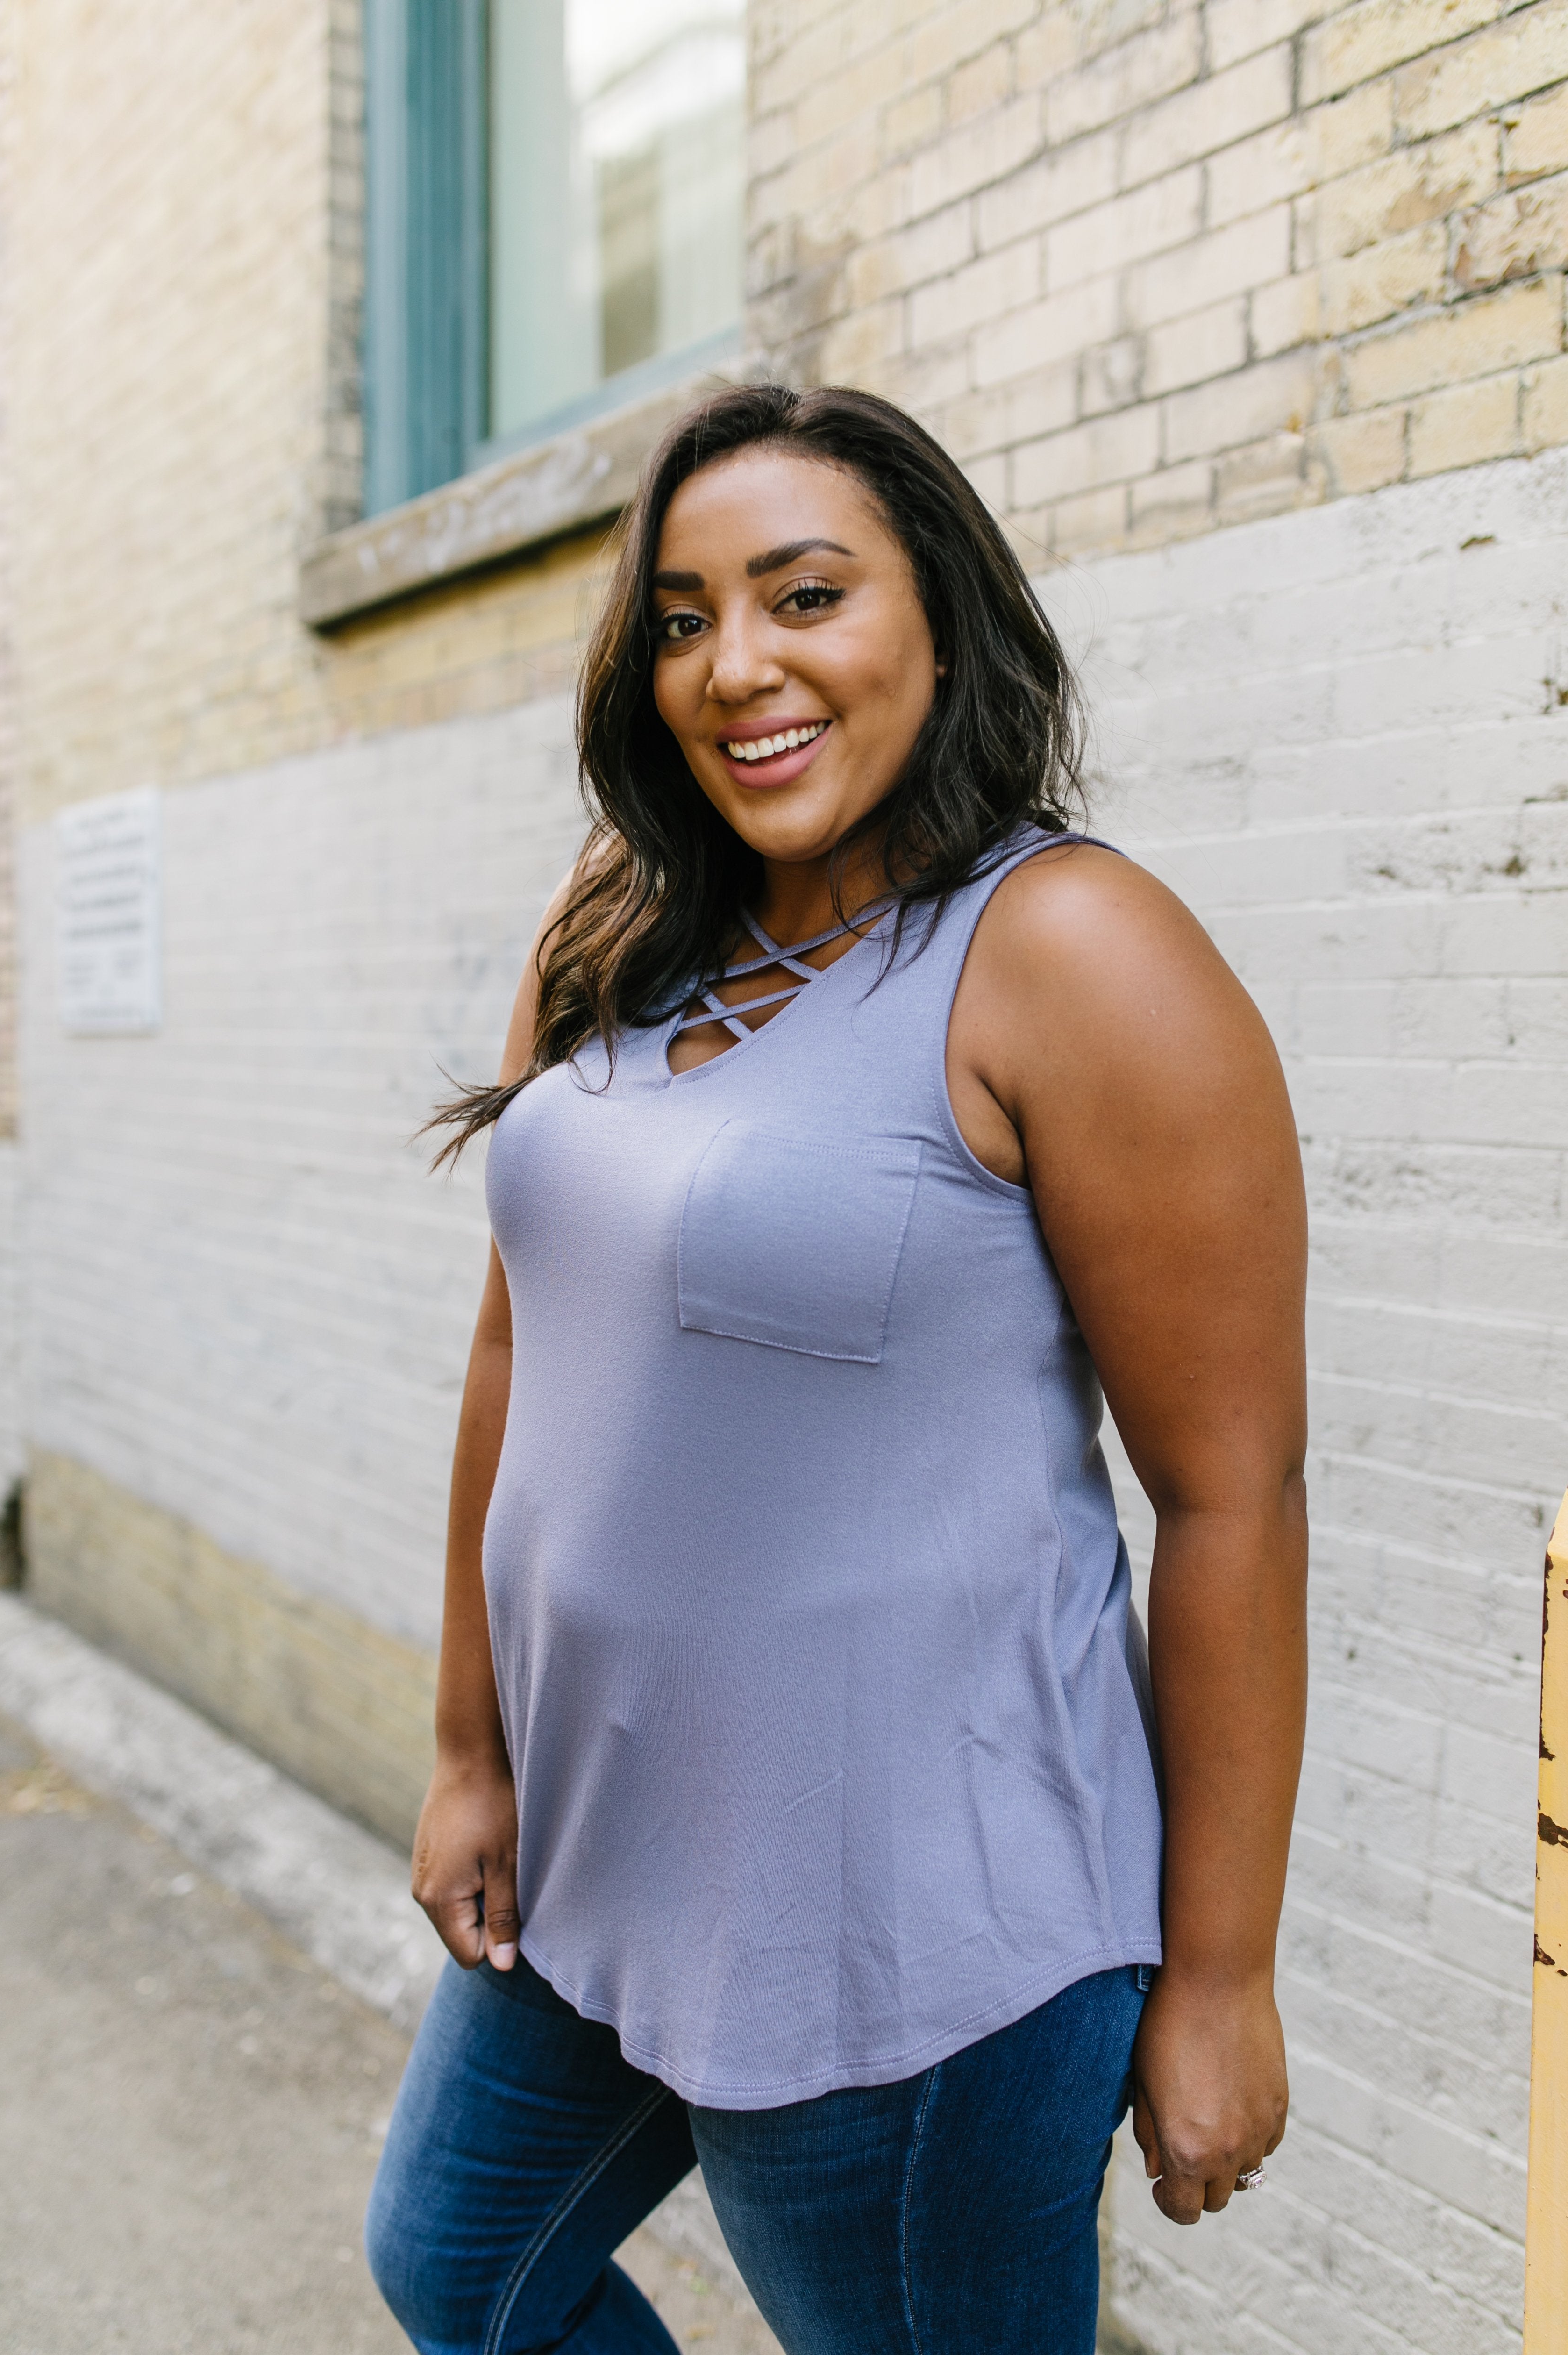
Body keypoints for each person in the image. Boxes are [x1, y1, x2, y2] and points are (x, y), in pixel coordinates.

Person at [364, 383, 1308, 2355]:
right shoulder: (617, 923)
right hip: (596, 1849)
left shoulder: (1072, 952)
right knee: (460, 2268)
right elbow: (520, 1345)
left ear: (939, 621)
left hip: (905, 1932)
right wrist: (473, 1747)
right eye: (688, 617)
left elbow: (1229, 1495)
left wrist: (1220, 1976)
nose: (741, 668)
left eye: (807, 596)